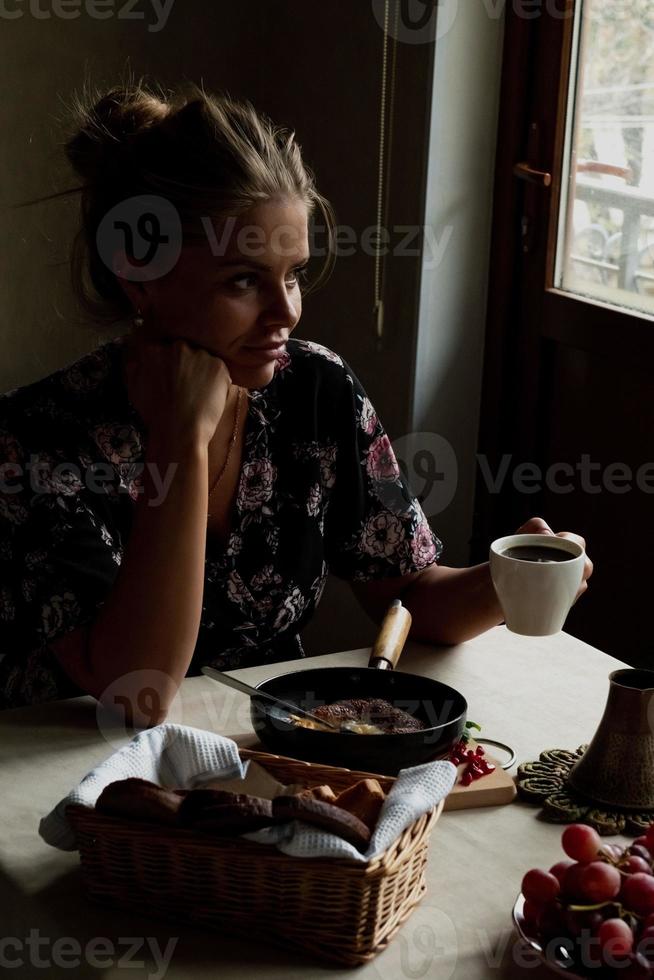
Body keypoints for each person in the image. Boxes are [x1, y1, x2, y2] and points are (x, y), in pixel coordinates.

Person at [0, 82, 592, 724]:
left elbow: (410, 592)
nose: (285, 312)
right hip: (66, 783)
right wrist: (180, 436)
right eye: (244, 280)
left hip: (265, 758)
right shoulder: (31, 443)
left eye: (293, 274)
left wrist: (509, 578)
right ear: (139, 275)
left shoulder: (314, 391)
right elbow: (135, 694)